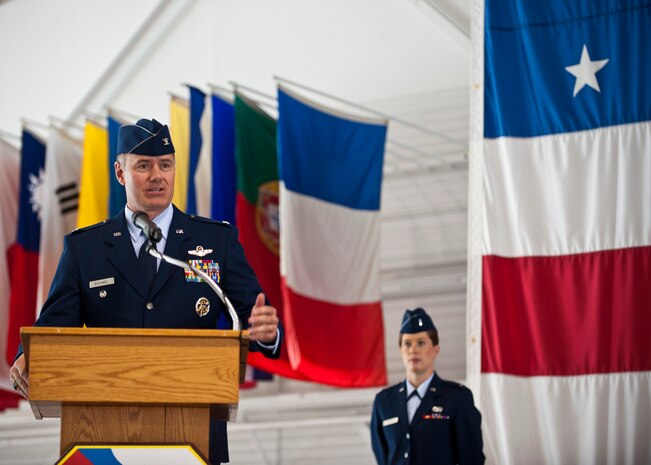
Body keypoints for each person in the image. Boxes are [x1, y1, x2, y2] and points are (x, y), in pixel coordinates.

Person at [8, 118, 281, 464]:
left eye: (165, 165)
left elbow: (253, 317)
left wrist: (266, 331)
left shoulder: (215, 241)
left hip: (194, 434)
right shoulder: (86, 248)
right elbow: (51, 327)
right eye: (144, 166)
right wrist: (28, 355)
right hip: (104, 435)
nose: (157, 175)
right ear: (120, 173)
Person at [370, 308, 484, 465]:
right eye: (407, 344)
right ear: (400, 350)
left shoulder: (456, 397)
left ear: (436, 349)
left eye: (421, 343)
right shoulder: (384, 402)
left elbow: (472, 459)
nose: (413, 350)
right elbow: (383, 458)